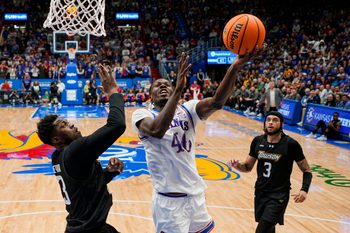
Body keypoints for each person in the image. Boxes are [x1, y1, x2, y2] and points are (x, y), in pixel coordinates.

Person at [132, 50, 260, 233]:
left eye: (167, 84)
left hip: (195, 195)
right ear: (150, 95)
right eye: (157, 85)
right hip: (169, 201)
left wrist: (235, 66)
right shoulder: (142, 115)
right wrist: (177, 90)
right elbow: (156, 130)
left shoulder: (188, 110)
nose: (162, 86)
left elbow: (217, 102)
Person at [36, 64, 126, 233]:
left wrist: (108, 173)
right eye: (64, 125)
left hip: (87, 227)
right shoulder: (75, 151)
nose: (71, 123)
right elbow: (117, 125)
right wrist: (113, 92)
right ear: (56, 139)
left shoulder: (58, 156)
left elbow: (83, 187)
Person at [228, 111, 312, 233]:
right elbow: (247, 167)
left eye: (275, 120)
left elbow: (307, 170)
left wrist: (304, 189)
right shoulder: (257, 141)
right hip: (261, 192)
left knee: (261, 230)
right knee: (269, 229)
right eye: (268, 120)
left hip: (279, 196)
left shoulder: (291, 144)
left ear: (282, 124)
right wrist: (237, 165)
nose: (271, 122)